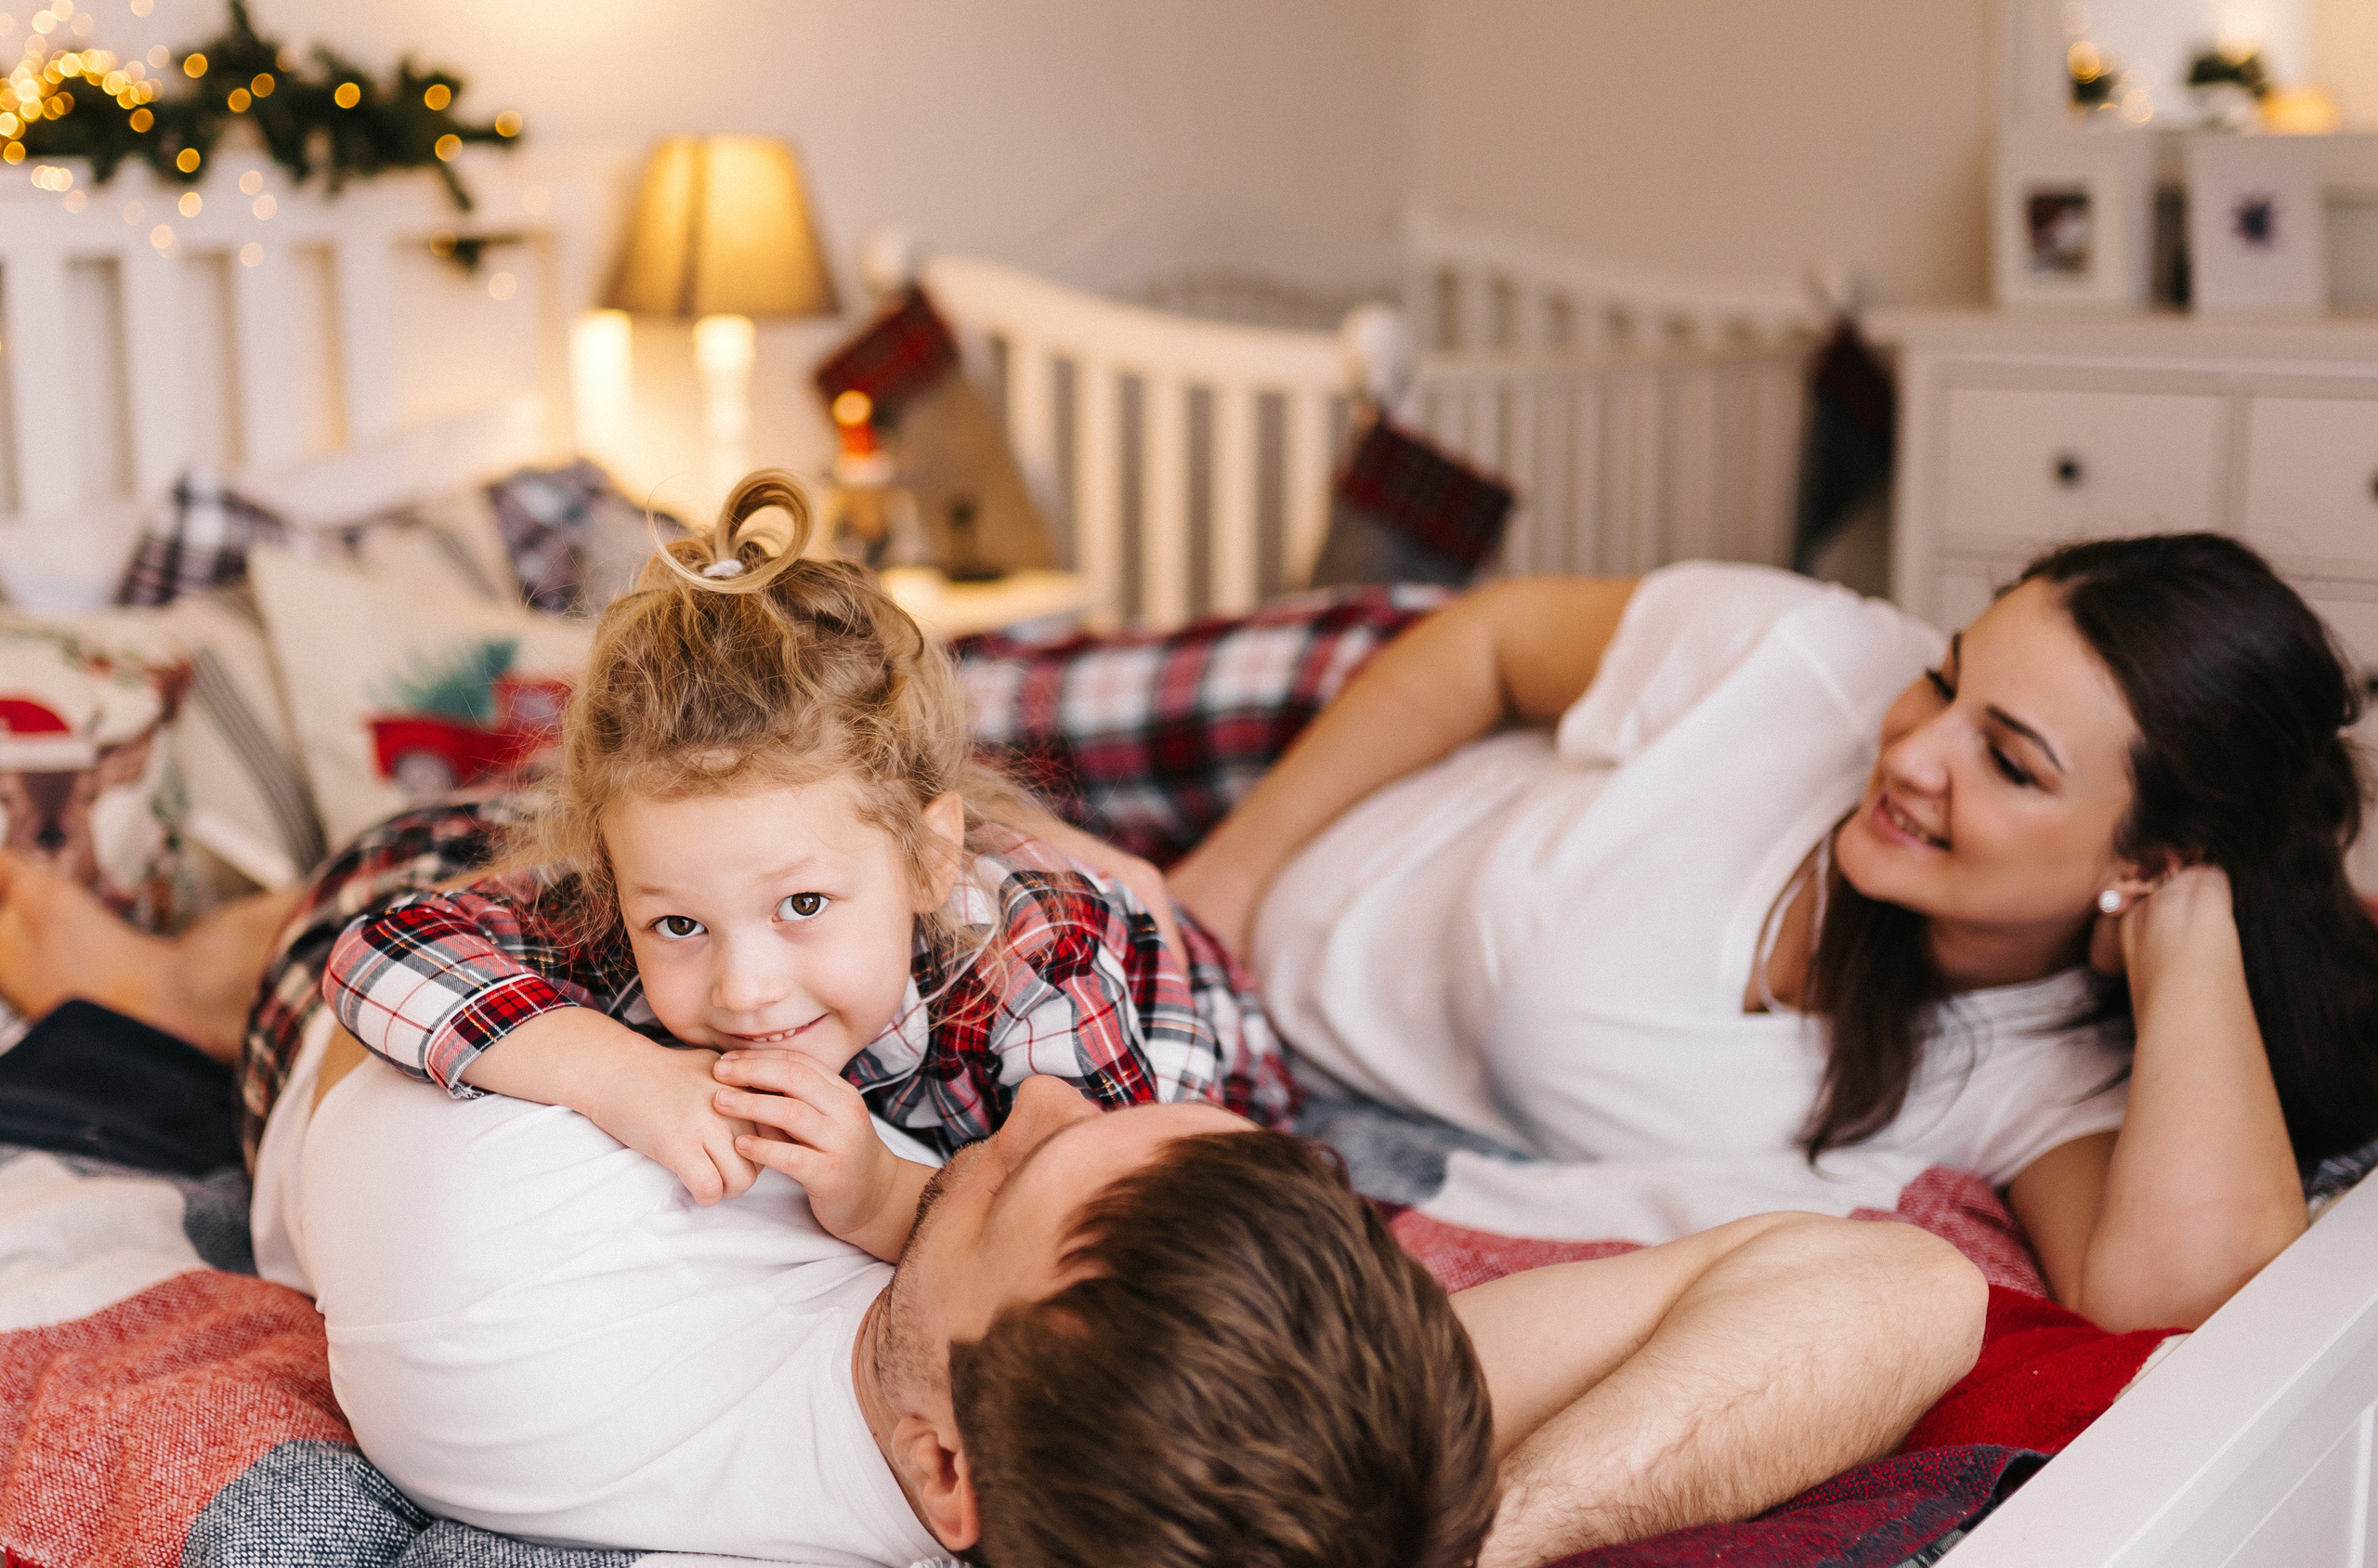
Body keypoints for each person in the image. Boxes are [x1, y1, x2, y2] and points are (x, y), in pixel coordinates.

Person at [1169, 535, 2378, 1333]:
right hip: (1291, 779)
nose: (1910, 756)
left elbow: (2182, 1299)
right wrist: (1223, 878)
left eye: (2006, 761)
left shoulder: (2040, 1074)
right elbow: (1485, 642)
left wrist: (2199, 927)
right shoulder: (1815, 660)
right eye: (1946, 680)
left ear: (2147, 861)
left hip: (1256, 1034)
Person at [297, 1048, 1984, 1568]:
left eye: (1009, 1178)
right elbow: (1909, 1285)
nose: (1022, 1091)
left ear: (946, 1471)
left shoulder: (499, 1266)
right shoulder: (1206, 1450)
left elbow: (415, 993)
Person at [306, 468, 1289, 1253]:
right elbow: (374, 951)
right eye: (680, 926)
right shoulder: (643, 888)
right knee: (327, 941)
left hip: (1178, 1013)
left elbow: (1091, 1226)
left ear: (926, 858)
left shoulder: (1042, 962)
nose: (746, 989)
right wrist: (617, 1075)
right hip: (422, 845)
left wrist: (882, 1196)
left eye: (803, 905)